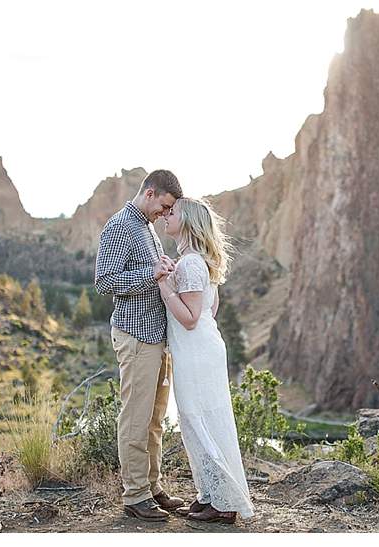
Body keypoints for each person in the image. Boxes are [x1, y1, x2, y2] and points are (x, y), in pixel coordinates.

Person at [94, 169, 185, 521]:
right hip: (135, 337)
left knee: (155, 418)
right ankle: (135, 495)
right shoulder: (120, 227)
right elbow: (104, 282)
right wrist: (152, 274)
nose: (165, 214)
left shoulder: (145, 225)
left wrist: (162, 267)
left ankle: (152, 486)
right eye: (163, 206)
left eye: (169, 210)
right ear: (149, 194)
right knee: (135, 416)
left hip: (155, 336)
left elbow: (147, 272)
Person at [157, 197, 255, 524]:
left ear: (189, 222)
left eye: (173, 212)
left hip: (197, 352)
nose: (166, 215)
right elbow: (210, 311)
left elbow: (189, 318)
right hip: (200, 349)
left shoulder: (191, 264)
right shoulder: (196, 261)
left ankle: (224, 504)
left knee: (200, 421)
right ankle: (210, 494)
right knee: (196, 421)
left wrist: (163, 286)